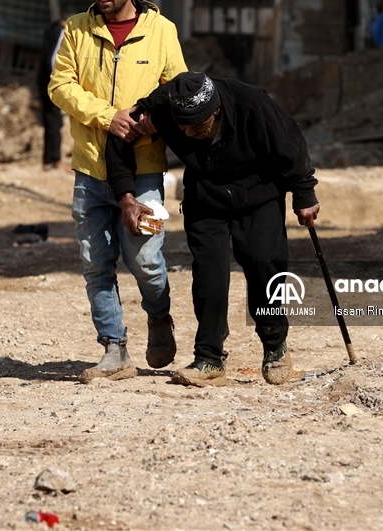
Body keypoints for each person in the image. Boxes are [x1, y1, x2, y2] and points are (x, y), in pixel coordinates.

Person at [105, 72, 320, 387]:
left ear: (215, 110)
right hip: (205, 195)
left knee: (263, 262)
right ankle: (209, 357)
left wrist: (304, 194)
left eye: (197, 126)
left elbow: (291, 143)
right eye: (182, 126)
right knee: (208, 273)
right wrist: (126, 196)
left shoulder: (251, 103)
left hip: (259, 191)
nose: (189, 133)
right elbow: (120, 134)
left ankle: (275, 345)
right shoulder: (162, 105)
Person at [48, 0, 188, 383]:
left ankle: (159, 315)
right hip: (90, 169)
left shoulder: (163, 32)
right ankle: (114, 348)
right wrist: (108, 116)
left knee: (145, 258)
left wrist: (148, 120)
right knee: (97, 264)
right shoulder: (76, 29)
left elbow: (179, 91)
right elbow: (59, 86)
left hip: (144, 167)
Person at [37, 12, 70, 171]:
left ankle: (47, 160)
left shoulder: (51, 29)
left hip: (42, 80)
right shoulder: (61, 32)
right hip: (50, 81)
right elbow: (54, 58)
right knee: (55, 121)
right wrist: (58, 82)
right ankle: (55, 159)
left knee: (49, 120)